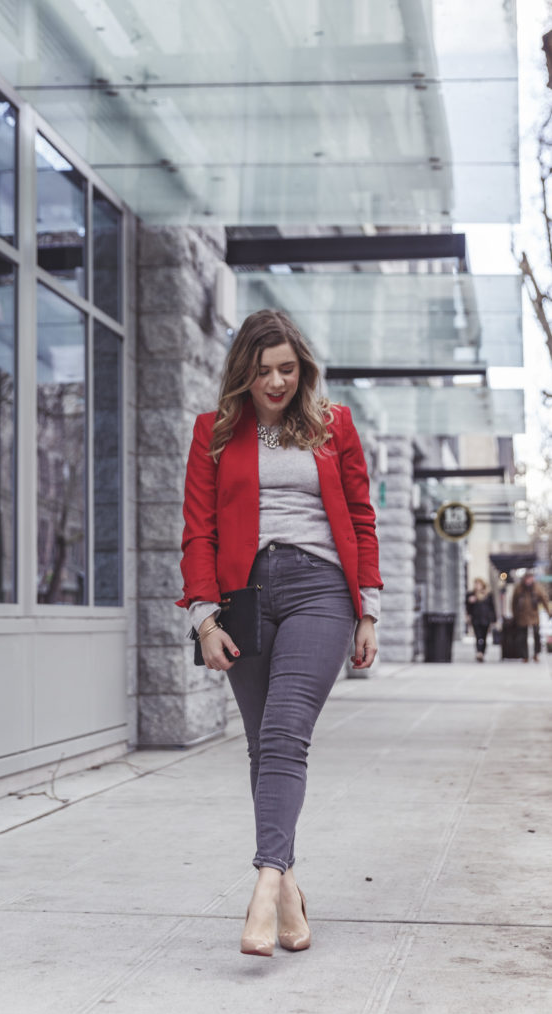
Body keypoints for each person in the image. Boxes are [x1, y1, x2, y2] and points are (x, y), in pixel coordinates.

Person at [176, 309, 383, 956]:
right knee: (263, 746)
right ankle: (290, 892)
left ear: (303, 368)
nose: (275, 382)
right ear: (243, 371)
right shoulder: (212, 433)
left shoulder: (333, 425)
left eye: (287, 369)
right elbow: (198, 529)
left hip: (320, 590)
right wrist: (203, 618)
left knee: (286, 734)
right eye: (262, 371)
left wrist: (368, 608)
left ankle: (264, 885)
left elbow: (360, 514)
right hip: (242, 596)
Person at [512, 571, 550, 663]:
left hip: (534, 615)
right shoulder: (519, 588)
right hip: (522, 616)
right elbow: (513, 602)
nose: (529, 581)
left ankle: (536, 654)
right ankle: (525, 656)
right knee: (522, 637)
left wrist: (549, 611)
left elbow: (544, 599)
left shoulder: (537, 588)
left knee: (537, 635)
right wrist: (515, 614)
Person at [465, 578, 496, 662]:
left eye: (478, 584)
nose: (477, 586)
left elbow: (492, 607)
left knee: (484, 637)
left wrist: (494, 619)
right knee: (478, 636)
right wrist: (469, 601)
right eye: (476, 584)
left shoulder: (488, 595)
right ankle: (479, 652)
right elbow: (467, 607)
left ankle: (482, 652)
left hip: (486, 619)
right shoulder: (471, 594)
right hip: (475, 618)